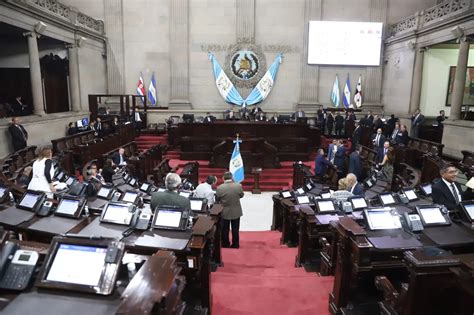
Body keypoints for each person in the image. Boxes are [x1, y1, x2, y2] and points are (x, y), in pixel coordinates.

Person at [216, 172, 244, 248]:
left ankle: (225, 244)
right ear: (232, 178)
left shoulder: (220, 188)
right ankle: (236, 244)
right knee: (235, 229)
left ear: (223, 178)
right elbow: (241, 195)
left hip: (224, 211)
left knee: (225, 229)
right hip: (236, 210)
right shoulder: (238, 186)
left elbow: (217, 199)